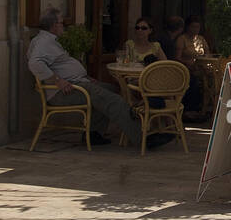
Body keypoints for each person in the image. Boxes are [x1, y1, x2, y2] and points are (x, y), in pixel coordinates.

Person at [26, 8, 173, 149]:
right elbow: (34, 63)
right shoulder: (43, 42)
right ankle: (143, 139)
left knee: (113, 90)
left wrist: (86, 77)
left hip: (78, 84)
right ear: (53, 25)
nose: (63, 25)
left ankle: (94, 133)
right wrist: (57, 81)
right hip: (64, 92)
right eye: (61, 22)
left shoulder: (50, 40)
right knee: (112, 100)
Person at [174, 15, 209, 115]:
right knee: (193, 80)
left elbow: (208, 53)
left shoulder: (201, 39)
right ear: (187, 27)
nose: (195, 29)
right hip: (187, 68)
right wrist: (187, 63)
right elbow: (177, 57)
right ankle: (190, 109)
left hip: (201, 67)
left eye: (197, 27)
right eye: (193, 27)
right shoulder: (182, 39)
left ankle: (205, 108)